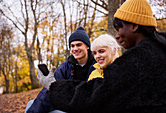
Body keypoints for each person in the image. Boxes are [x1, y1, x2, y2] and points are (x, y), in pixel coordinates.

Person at [37, 0, 166, 112]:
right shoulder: (158, 50)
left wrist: (54, 87)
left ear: (134, 25)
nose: (117, 35)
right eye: (72, 46)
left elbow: (96, 96)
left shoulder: (138, 60)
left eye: (119, 28)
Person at [25, 26, 96, 113]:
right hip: (67, 103)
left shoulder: (96, 65)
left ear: (87, 46)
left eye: (79, 45)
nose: (75, 49)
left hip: (85, 107)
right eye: (72, 46)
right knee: (31, 104)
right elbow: (49, 91)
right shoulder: (65, 67)